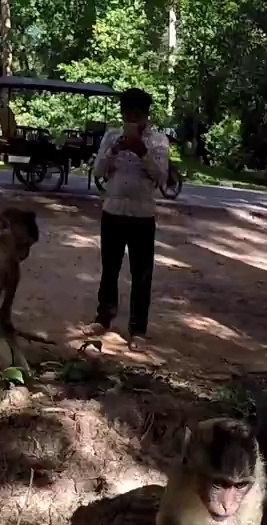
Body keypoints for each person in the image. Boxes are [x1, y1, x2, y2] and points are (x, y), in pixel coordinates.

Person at [89, 88, 170, 351]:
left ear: (146, 116)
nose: (132, 120)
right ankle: (103, 318)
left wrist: (142, 151)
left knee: (141, 274)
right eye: (128, 115)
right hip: (112, 211)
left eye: (137, 115)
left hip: (142, 216)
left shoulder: (158, 141)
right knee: (109, 269)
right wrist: (114, 150)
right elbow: (98, 171)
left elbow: (161, 177)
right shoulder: (112, 136)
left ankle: (138, 329)